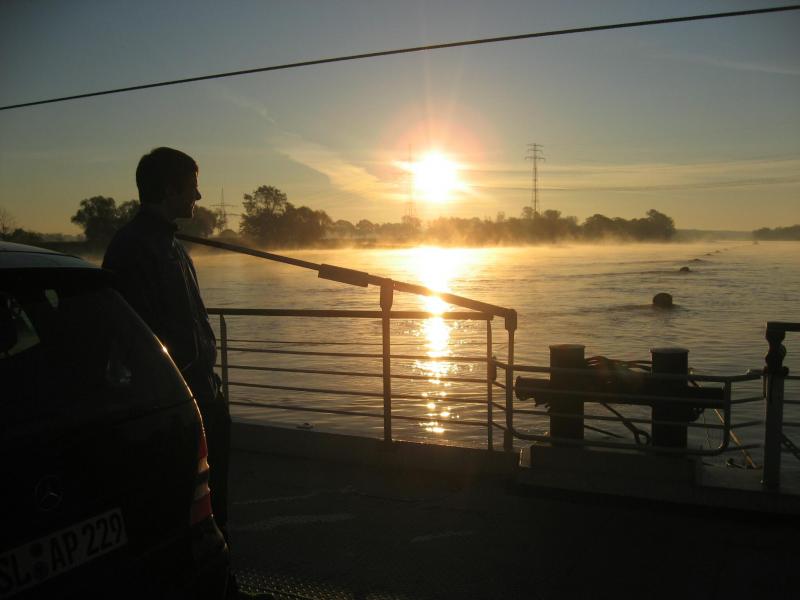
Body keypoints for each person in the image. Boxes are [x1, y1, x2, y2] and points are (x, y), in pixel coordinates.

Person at [103, 148, 260, 598]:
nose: (199, 195)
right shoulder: (135, 250)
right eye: (192, 186)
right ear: (169, 189)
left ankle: (221, 584)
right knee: (192, 508)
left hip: (201, 395)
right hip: (180, 404)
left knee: (213, 502)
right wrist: (184, 388)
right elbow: (138, 338)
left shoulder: (168, 246)